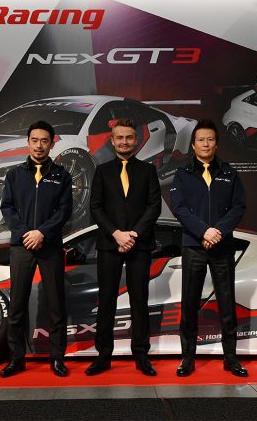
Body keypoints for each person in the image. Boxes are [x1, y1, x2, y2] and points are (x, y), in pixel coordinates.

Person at [170, 119, 248, 377]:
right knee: (189, 304)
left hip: (222, 246)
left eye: (210, 139)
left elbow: (238, 207)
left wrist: (218, 232)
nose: (205, 144)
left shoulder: (229, 173)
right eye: (201, 140)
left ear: (217, 144)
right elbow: (179, 208)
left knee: (227, 302)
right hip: (194, 246)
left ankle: (231, 358)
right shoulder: (182, 174)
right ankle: (187, 359)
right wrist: (204, 231)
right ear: (193, 145)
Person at [86, 118, 162, 376]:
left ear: (136, 139)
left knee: (140, 301)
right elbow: (95, 207)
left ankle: (141, 355)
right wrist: (117, 234)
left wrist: (133, 235)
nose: (124, 142)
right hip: (110, 244)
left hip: (140, 244)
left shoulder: (148, 171)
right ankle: (103, 356)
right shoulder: (102, 171)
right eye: (120, 137)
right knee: (106, 300)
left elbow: (154, 207)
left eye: (129, 137)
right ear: (112, 140)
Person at [0, 120, 73, 378]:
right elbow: (7, 208)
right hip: (21, 246)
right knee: (17, 305)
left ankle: (58, 358)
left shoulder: (62, 175)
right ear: (28, 143)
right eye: (34, 140)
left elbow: (64, 210)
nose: (39, 145)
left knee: (56, 305)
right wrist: (25, 234)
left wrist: (42, 232)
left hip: (50, 245)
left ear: (52, 144)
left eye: (44, 141)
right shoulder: (14, 175)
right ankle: (16, 359)